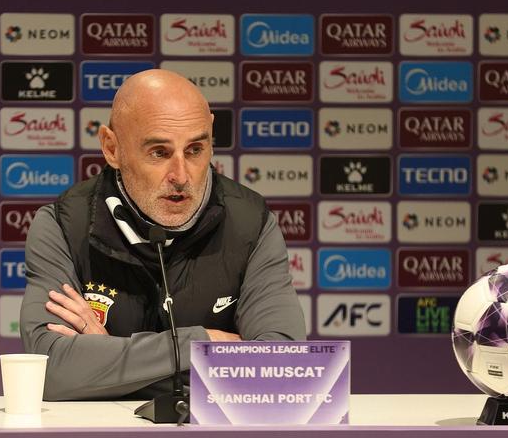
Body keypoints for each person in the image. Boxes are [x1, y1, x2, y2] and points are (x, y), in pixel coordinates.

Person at [19, 69, 306, 401]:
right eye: (159, 152)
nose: (181, 176)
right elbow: (47, 372)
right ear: (112, 148)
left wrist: (105, 362)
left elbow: (281, 369)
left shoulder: (251, 224)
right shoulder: (65, 226)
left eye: (195, 150)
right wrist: (203, 343)